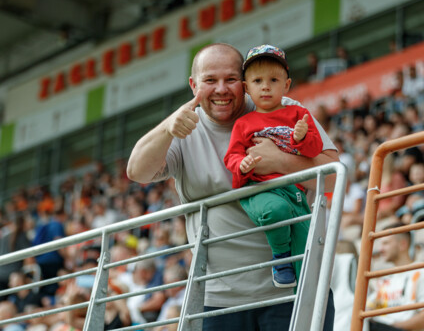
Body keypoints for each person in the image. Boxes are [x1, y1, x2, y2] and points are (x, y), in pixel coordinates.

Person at [127, 43, 338, 330]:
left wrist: (279, 161)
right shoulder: (183, 127)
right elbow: (137, 171)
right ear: (194, 85)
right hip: (216, 299)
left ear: (244, 83)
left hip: (293, 290)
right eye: (210, 81)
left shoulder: (287, 109)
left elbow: (335, 175)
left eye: (230, 79)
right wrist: (166, 128)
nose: (221, 89)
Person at [224, 44, 323, 288]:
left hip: (296, 192)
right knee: (275, 210)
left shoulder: (298, 113)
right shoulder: (244, 123)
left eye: (273, 80)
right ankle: (280, 257)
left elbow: (314, 150)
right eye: (258, 81)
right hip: (260, 189)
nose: (265, 86)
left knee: (305, 250)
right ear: (247, 88)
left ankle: (304, 304)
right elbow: (232, 156)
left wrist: (302, 138)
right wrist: (243, 164)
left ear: (286, 85)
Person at [366, 222, 424, 331]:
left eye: (386, 243)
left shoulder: (423, 272)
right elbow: (367, 309)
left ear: (403, 244)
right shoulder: (385, 278)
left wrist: (391, 328)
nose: (380, 249)